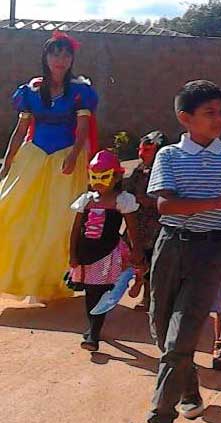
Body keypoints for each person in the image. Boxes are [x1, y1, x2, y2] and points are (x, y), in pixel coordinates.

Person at [145, 80, 221, 423]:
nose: (219, 119)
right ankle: (189, 388)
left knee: (180, 337)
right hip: (171, 248)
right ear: (185, 118)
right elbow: (166, 207)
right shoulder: (169, 156)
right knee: (160, 328)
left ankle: (160, 418)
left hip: (212, 253)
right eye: (210, 113)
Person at [0, 32, 98, 301]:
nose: (61, 59)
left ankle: (52, 280)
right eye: (55, 53)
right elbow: (21, 130)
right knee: (15, 212)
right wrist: (8, 161)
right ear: (46, 56)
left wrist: (74, 155)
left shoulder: (80, 92)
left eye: (66, 54)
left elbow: (82, 129)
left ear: (72, 59)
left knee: (60, 222)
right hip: (34, 158)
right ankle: (19, 276)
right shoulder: (30, 91)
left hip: (65, 159)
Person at [67, 150, 144, 351]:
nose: (98, 182)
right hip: (86, 253)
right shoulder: (86, 200)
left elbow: (133, 228)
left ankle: (93, 333)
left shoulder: (122, 200)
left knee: (99, 291)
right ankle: (92, 327)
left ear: (117, 177)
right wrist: (73, 255)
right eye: (94, 177)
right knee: (90, 292)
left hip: (107, 253)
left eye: (104, 176)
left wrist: (137, 252)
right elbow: (75, 230)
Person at [124, 130, 165, 309]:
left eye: (147, 150)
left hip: (156, 225)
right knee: (136, 256)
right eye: (141, 149)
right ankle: (138, 279)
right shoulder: (139, 170)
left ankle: (148, 297)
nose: (142, 154)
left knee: (154, 261)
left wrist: (150, 201)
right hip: (137, 223)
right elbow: (129, 190)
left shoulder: (164, 171)